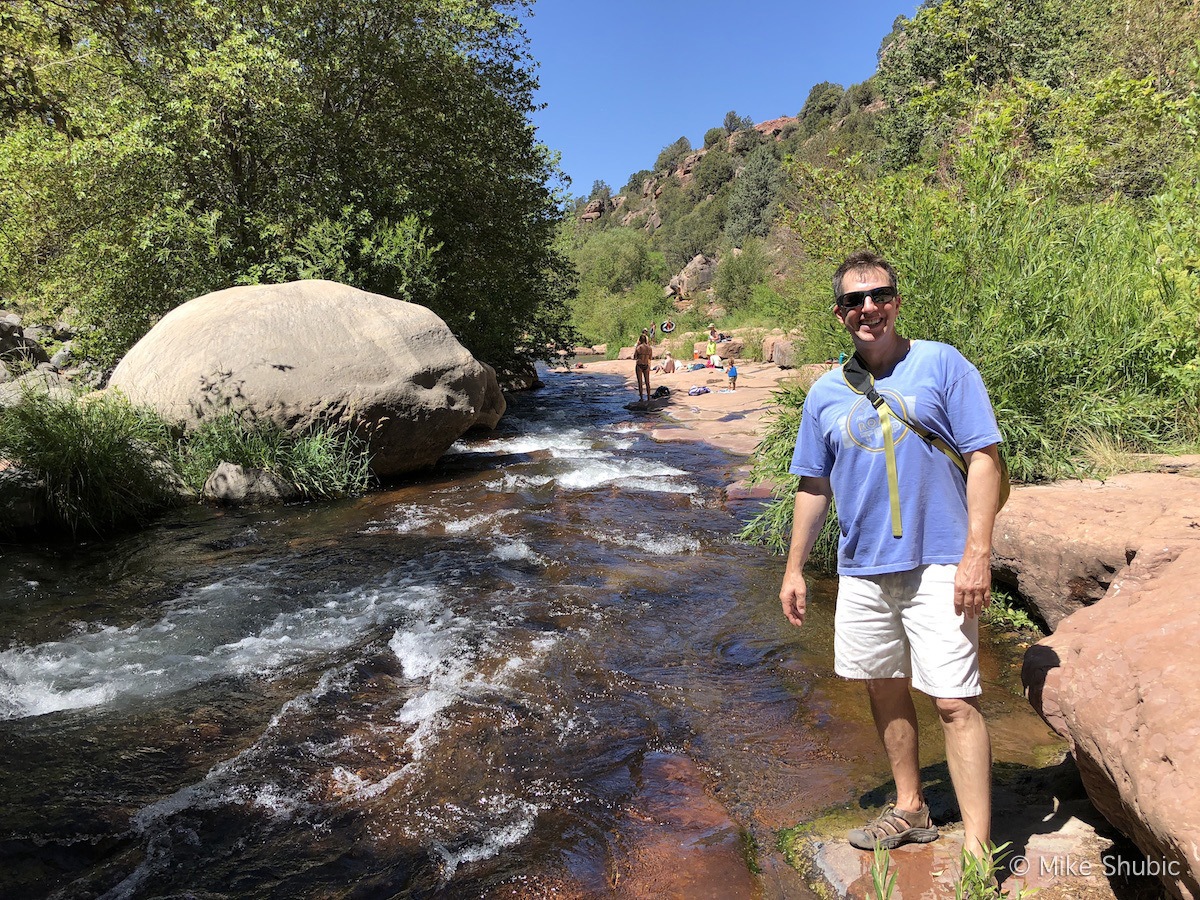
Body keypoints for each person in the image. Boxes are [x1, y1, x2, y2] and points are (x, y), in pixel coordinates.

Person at [778, 249, 1002, 860]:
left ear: (897, 301)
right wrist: (795, 568)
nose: (868, 308)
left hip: (940, 561)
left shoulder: (942, 364)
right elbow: (813, 485)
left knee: (954, 700)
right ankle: (911, 807)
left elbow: (985, 456)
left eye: (879, 295)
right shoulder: (824, 393)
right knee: (884, 687)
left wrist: (976, 553)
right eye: (855, 301)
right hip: (862, 567)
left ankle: (980, 854)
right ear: (840, 314)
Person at [633, 331, 654, 402]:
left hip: (639, 365)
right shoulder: (649, 348)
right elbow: (650, 358)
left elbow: (635, 356)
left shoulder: (639, 348)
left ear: (640, 340)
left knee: (640, 382)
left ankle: (641, 398)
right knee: (647, 382)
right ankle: (648, 397)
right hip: (646, 365)